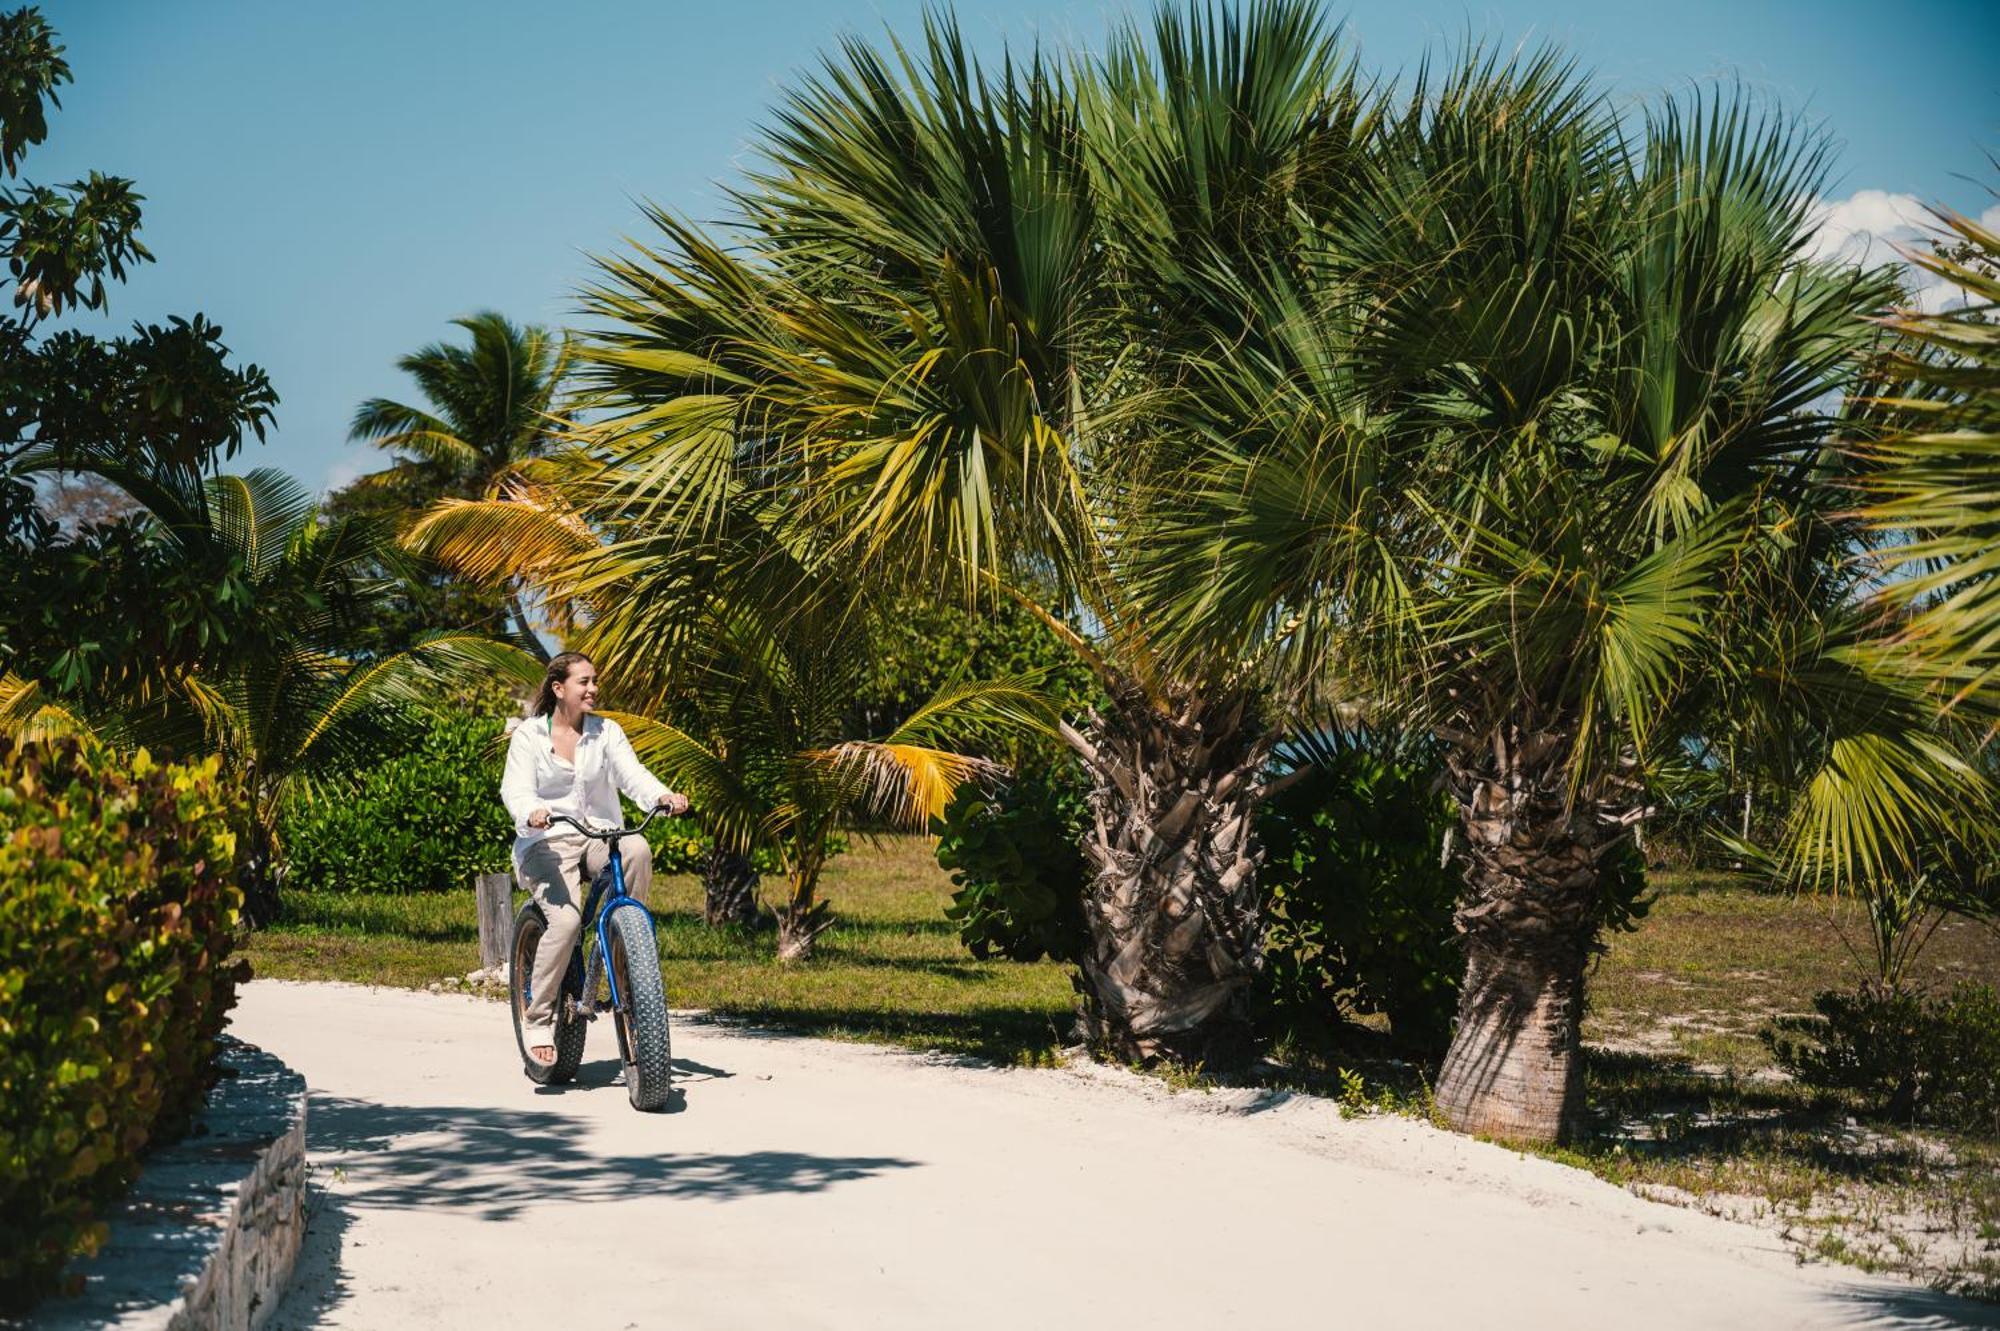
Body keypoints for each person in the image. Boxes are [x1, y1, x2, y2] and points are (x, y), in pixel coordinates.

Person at [501, 651, 688, 1065]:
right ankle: (538, 1018)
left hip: (600, 835)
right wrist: (530, 810)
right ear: (558, 689)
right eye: (584, 681)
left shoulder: (607, 732)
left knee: (637, 848)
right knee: (566, 922)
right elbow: (515, 790)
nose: (593, 689)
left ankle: (627, 947)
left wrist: (661, 796)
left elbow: (632, 774)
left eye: (594, 680)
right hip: (546, 842)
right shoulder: (530, 737)